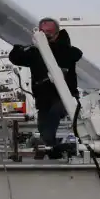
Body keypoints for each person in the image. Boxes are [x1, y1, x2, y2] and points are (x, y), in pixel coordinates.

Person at [8, 17, 83, 159]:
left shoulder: (66, 51)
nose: (45, 35)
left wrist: (53, 47)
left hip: (65, 97)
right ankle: (53, 152)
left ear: (57, 33)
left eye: (49, 32)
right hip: (43, 99)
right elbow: (16, 58)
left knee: (54, 116)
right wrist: (24, 46)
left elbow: (76, 54)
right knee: (44, 127)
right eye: (42, 32)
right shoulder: (35, 53)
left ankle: (48, 146)